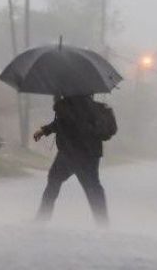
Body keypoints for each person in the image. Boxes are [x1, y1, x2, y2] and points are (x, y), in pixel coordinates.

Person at [32, 94, 108, 225]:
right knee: (92, 186)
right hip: (89, 153)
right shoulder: (93, 107)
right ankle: (102, 222)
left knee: (55, 180)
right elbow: (63, 121)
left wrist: (57, 103)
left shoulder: (71, 103)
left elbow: (64, 121)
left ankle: (42, 218)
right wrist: (45, 130)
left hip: (71, 152)